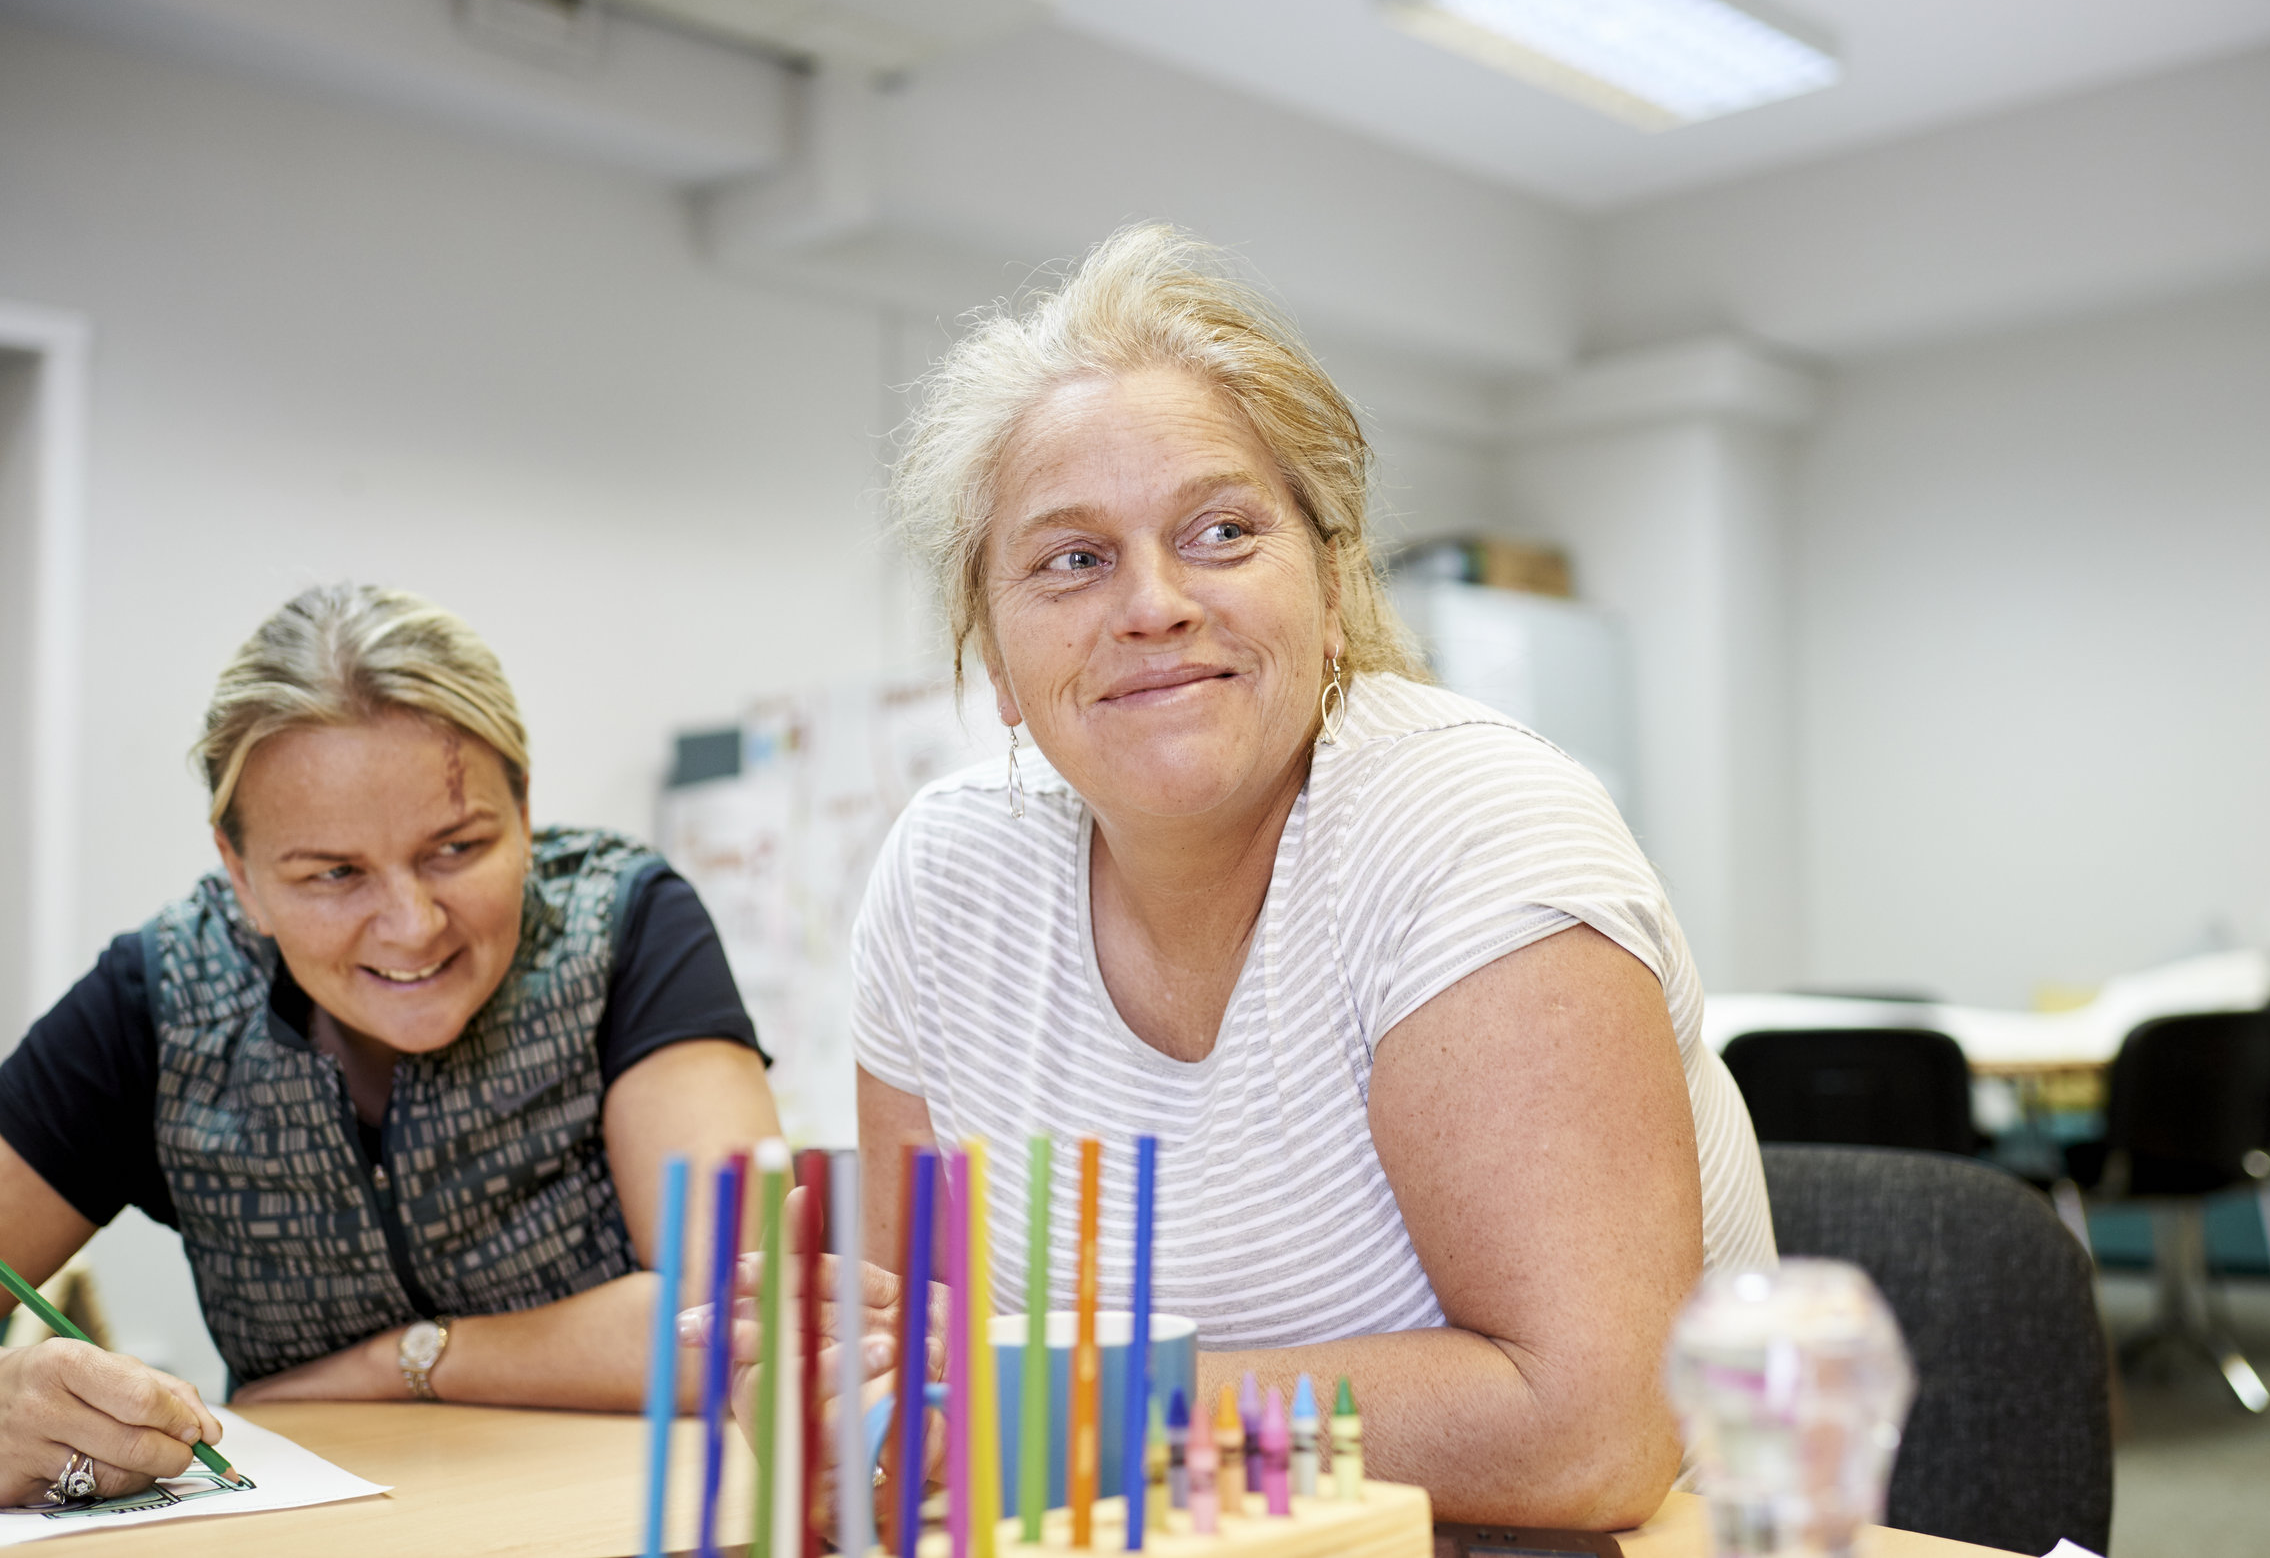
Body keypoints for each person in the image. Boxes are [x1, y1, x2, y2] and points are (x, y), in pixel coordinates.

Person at [723, 225, 1777, 1530]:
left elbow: (1587, 1437)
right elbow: (911, 1392)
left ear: (1333, 591)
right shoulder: (948, 885)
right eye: (1072, 557)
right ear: (993, 651)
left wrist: (1081, 1408)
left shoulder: (1471, 833)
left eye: (1221, 531)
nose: (1153, 602)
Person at [0, 584, 779, 1507]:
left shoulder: (626, 926)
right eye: (334, 872)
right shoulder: (159, 1000)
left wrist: (406, 1358)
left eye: (456, 847)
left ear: (524, 811)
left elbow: (744, 1320)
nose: (411, 925)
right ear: (240, 872)